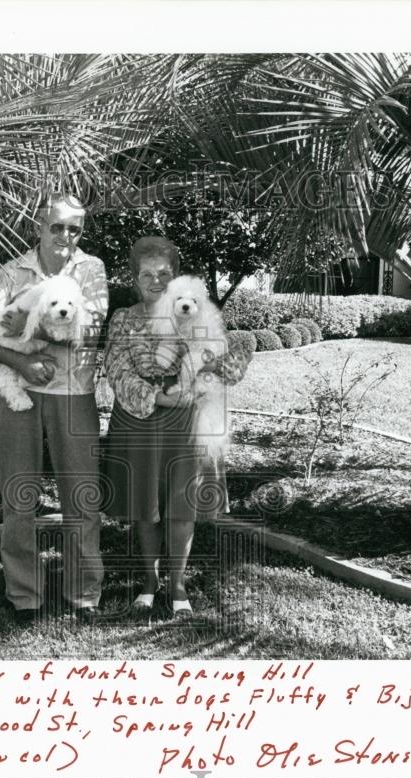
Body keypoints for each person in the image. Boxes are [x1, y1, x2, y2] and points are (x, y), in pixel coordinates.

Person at [0, 194, 108, 625]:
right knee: (19, 496)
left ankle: (84, 592)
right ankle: (24, 593)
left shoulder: (91, 269)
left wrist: (23, 322)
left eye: (74, 229)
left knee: (82, 495)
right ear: (39, 227)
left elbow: (89, 329)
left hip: (74, 394)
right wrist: (22, 359)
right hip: (19, 395)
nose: (65, 236)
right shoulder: (12, 272)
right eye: (57, 227)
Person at [101, 236, 249, 620]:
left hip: (186, 424)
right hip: (139, 421)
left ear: (176, 277)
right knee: (145, 507)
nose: (155, 281)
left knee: (181, 507)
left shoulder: (195, 311)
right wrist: (159, 397)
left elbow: (227, 358)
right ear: (133, 278)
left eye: (164, 274)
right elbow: (116, 370)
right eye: (146, 274)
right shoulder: (123, 318)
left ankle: (178, 585)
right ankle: (149, 584)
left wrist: (209, 380)